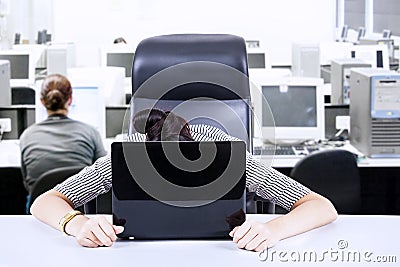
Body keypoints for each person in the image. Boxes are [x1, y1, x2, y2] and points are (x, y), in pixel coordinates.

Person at [31, 108, 337, 250]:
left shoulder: (224, 152)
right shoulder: (130, 155)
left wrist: (274, 230)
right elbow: (45, 202)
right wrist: (78, 223)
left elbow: (321, 206)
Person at [20, 74, 107, 206]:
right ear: (70, 100)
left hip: (40, 210)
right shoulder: (90, 132)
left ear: (42, 101)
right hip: (82, 209)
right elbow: (104, 173)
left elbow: (27, 182)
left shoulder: (27, 135)